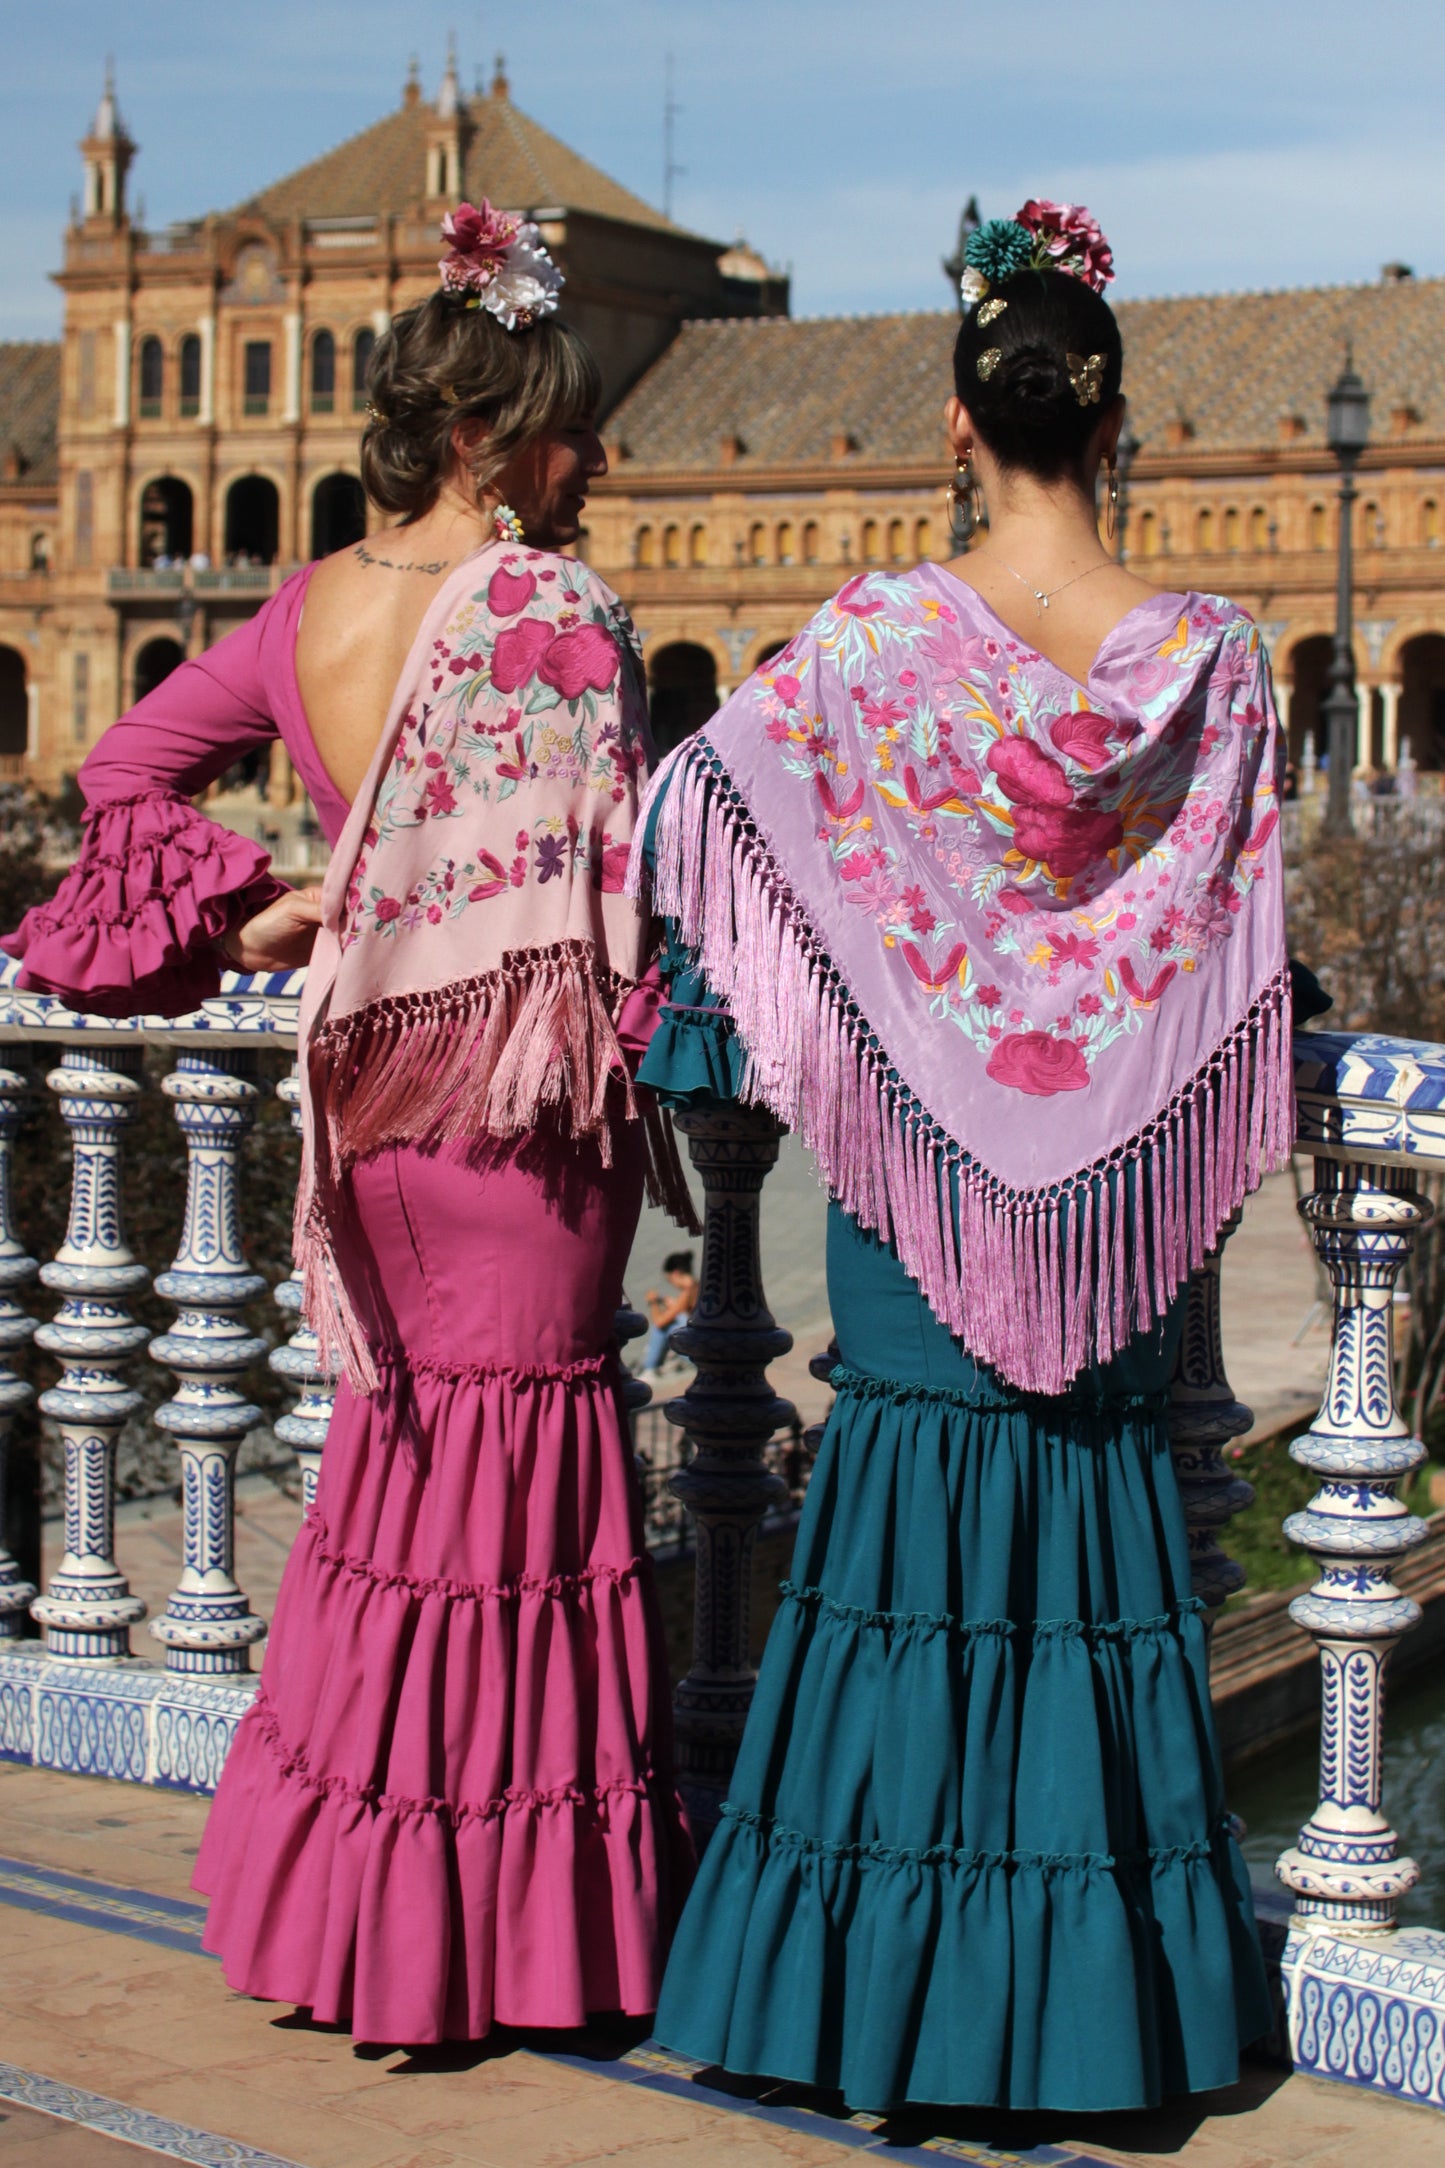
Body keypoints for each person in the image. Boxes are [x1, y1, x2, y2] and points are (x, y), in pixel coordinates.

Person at [3, 201, 695, 2044]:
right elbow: (619, 890)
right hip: (525, 1126)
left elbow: (122, 765)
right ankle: (500, 1935)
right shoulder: (558, 608)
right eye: (572, 424)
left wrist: (260, 910)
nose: (598, 455)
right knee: (522, 1501)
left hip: (371, 1113)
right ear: (496, 434)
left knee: (393, 1500)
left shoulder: (308, 603)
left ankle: (356, 1917)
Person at [632, 200, 1285, 2114]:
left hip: (914, 1184)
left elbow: (694, 815)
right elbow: (1240, 938)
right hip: (1106, 1208)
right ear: (1116, 425)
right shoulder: (1214, 660)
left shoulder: (873, 645)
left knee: (898, 1573)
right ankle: (1092, 2021)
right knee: (1087, 1580)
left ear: (954, 421)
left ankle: (867, 2010)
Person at [638, 1250, 698, 1381]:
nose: (672, 1284)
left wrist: (653, 1303)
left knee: (667, 1327)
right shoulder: (698, 1286)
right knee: (676, 1321)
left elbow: (660, 1322)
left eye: (670, 1280)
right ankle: (652, 1366)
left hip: (699, 1356)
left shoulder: (687, 1292)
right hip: (704, 1350)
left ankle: (650, 1368)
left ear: (676, 1273)